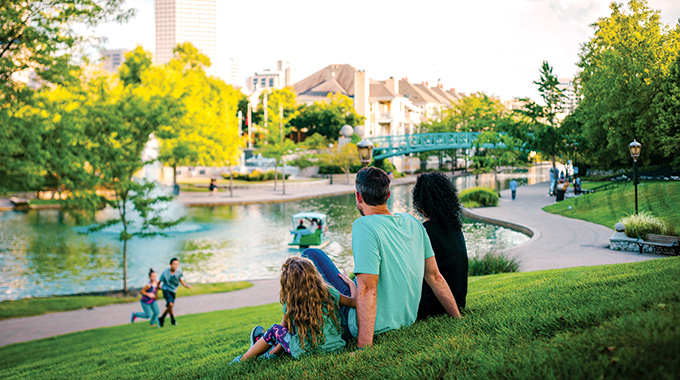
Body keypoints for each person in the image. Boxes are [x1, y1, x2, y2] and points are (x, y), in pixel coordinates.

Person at [303, 167, 461, 350]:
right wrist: (457, 317)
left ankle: (290, 331)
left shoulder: (364, 225)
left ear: (358, 197)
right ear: (388, 195)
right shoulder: (413, 223)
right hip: (406, 321)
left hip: (367, 325)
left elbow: (368, 289)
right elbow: (435, 277)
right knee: (345, 280)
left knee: (311, 255)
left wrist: (364, 347)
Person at [231, 257, 356, 363]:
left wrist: (277, 349)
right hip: (337, 347)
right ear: (314, 275)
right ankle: (267, 349)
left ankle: (243, 359)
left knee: (275, 330)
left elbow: (285, 328)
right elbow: (355, 302)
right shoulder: (329, 293)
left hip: (305, 354)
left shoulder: (291, 303)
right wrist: (351, 284)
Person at [412, 172, 468, 320]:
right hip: (459, 301)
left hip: (433, 308)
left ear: (420, 202)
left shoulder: (425, 231)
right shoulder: (456, 229)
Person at [158, 257, 191, 327]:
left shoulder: (179, 271)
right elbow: (159, 281)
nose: (175, 266)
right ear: (170, 264)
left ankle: (161, 318)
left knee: (170, 306)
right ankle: (172, 320)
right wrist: (157, 288)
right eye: (174, 264)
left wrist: (185, 285)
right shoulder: (165, 273)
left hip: (173, 290)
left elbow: (179, 279)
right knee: (170, 304)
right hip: (166, 289)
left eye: (177, 264)